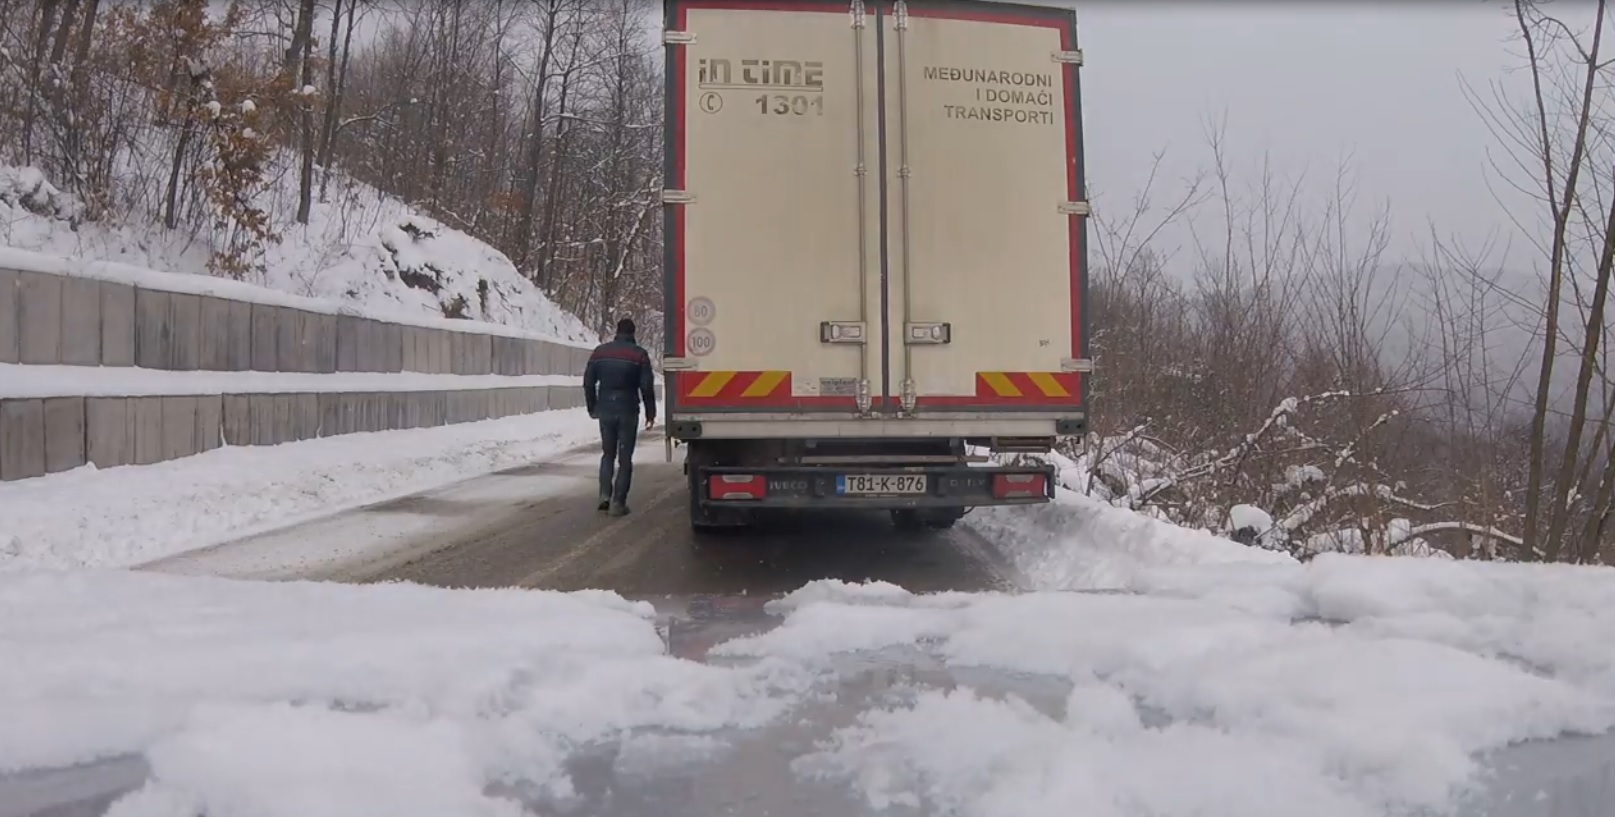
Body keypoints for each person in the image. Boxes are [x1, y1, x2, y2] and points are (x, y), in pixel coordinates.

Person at [583, 317, 657, 516]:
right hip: (628, 409)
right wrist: (651, 412)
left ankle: (604, 496)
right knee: (625, 458)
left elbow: (588, 382)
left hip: (606, 408)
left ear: (617, 331)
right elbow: (646, 386)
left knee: (607, 454)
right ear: (633, 333)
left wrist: (592, 407)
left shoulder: (600, 352)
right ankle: (619, 502)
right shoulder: (639, 355)